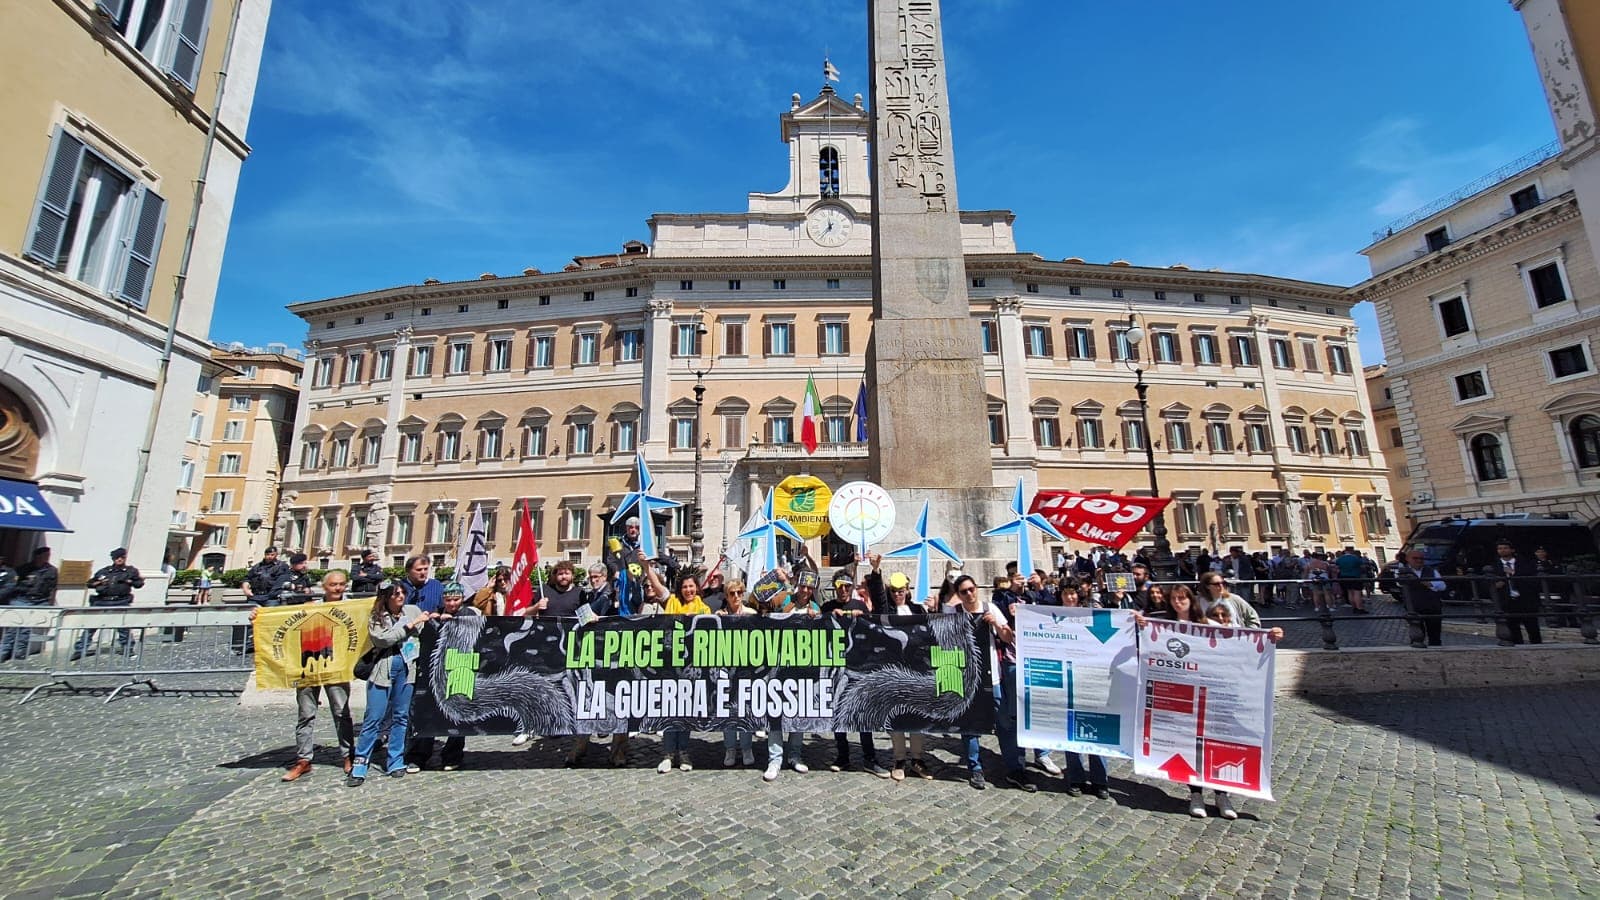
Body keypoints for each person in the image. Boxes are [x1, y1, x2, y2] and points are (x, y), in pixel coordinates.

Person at [1187, 604, 1284, 819]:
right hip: (1201, 699)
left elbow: (1260, 646)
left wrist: (1273, 635)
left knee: (1222, 748)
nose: (1220, 619)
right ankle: (1196, 795)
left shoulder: (1241, 641)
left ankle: (1222, 795)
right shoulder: (1200, 639)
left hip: (1228, 702)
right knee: (1195, 747)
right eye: (1215, 616)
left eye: (1224, 615)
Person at [948, 574, 1034, 792]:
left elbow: (1008, 637)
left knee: (1005, 724)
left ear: (977, 589)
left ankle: (1015, 769)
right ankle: (975, 769)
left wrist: (995, 623)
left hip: (993, 677)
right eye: (964, 591)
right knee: (970, 727)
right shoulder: (953, 614)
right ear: (958, 595)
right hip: (968, 680)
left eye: (971, 589)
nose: (969, 594)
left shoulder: (991, 608)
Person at [268, 569, 356, 782]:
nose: (338, 588)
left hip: (336, 667)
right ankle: (303, 760)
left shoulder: (352, 607)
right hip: (309, 668)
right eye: (334, 584)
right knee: (305, 714)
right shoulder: (310, 608)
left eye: (342, 584)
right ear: (324, 587)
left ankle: (348, 756)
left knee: (341, 713)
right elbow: (280, 622)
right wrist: (258, 615)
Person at [346, 583, 429, 786]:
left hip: (407, 669)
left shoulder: (412, 610)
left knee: (401, 717)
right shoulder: (377, 617)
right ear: (387, 597)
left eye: (402, 592)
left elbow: (423, 630)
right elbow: (383, 639)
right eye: (396, 594)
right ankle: (360, 763)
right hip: (383, 670)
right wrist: (409, 626)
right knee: (374, 717)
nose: (401, 596)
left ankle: (395, 760)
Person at [864, 563, 935, 781]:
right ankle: (899, 759)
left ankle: (917, 759)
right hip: (894, 671)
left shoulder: (918, 609)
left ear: (907, 590)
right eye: (893, 591)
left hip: (917, 671)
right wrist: (876, 572)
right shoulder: (887, 610)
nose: (897, 595)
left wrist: (934, 611)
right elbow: (879, 600)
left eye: (900, 591)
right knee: (896, 716)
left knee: (917, 716)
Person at [821, 576, 890, 778]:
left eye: (847, 586)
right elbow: (815, 627)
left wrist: (864, 617)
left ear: (852, 588)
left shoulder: (860, 604)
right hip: (836, 667)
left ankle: (870, 757)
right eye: (839, 586)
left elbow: (875, 626)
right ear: (834, 588)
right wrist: (828, 617)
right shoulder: (828, 606)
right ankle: (842, 756)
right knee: (838, 712)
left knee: (862, 713)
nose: (843, 590)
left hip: (859, 666)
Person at [407, 582, 476, 772]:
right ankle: (419, 756)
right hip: (434, 672)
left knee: (457, 715)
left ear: (462, 599)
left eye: (456, 599)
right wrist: (432, 622)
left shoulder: (468, 614)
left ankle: (452, 756)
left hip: (460, 669)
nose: (452, 604)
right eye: (448, 600)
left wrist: (451, 622)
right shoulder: (434, 614)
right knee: (427, 712)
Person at [648, 571, 710, 773]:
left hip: (692, 670)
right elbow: (657, 586)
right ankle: (667, 754)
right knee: (669, 710)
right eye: (685, 587)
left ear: (697, 588)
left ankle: (683, 751)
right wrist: (646, 566)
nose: (688, 590)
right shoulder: (672, 602)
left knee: (685, 712)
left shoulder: (704, 607)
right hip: (670, 666)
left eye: (691, 586)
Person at [1057, 584, 1111, 800]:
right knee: (1071, 731)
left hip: (1091, 678)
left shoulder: (1092, 615)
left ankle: (1100, 780)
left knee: (1096, 729)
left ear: (1078, 595)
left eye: (1072, 593)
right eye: (1065, 594)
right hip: (1067, 679)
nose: (1069, 597)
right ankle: (1076, 777)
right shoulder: (1055, 616)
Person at [71, 548, 145, 660]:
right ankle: (80, 649)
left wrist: (131, 581)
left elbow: (139, 583)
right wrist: (99, 582)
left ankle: (127, 648)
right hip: (102, 601)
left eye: (122, 557)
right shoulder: (104, 571)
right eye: (117, 558)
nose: (119, 560)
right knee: (90, 626)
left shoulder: (130, 571)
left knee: (123, 627)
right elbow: (90, 583)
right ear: (113, 559)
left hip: (121, 601)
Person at [0, 546, 57, 662]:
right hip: (22, 599)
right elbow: (13, 584)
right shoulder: (24, 568)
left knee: (27, 628)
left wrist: (50, 602)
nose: (47, 557)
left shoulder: (52, 570)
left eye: (48, 555)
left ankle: (19, 652)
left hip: (39, 601)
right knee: (13, 626)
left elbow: (53, 587)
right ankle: (4, 651)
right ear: (37, 556)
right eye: (45, 555)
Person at [1484, 538, 1542, 645]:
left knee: (1533, 628)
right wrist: (1495, 585)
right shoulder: (1493, 566)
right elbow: (1486, 585)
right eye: (1500, 548)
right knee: (1513, 628)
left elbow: (1532, 580)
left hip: (1525, 600)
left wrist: (1513, 574)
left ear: (1512, 550)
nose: (1502, 550)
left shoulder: (1524, 563)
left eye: (1505, 548)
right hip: (1507, 601)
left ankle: (1537, 646)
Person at [1396, 549, 1449, 647]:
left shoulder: (1431, 570)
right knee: (1417, 634)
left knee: (1435, 634)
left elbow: (1442, 585)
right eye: (1415, 558)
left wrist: (1424, 583)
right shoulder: (1402, 571)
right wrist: (1430, 584)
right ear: (1408, 559)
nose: (1419, 561)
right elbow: (1399, 583)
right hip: (1415, 607)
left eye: (1421, 558)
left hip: (1433, 606)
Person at [1335, 547, 1370, 614]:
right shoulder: (1355, 558)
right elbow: (1362, 567)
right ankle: (1359, 608)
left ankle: (1354, 607)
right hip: (1355, 576)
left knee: (1349, 592)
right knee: (1357, 593)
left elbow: (1337, 567)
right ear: (1351, 551)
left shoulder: (1340, 559)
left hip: (1344, 577)